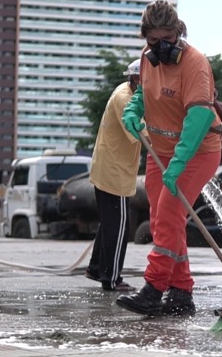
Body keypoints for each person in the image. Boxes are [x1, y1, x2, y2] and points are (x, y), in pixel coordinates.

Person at [116, 0, 222, 316]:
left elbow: (199, 115)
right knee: (166, 218)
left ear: (178, 34)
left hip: (197, 152)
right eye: (153, 42)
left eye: (168, 40)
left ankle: (154, 288)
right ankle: (180, 293)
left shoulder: (195, 64)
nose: (161, 48)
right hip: (159, 151)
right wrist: (134, 111)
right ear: (145, 39)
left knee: (168, 214)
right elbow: (143, 93)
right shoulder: (148, 60)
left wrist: (178, 164)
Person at [84, 59, 143, 292]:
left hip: (115, 168)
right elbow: (138, 129)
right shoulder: (124, 98)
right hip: (114, 171)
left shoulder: (133, 94)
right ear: (136, 78)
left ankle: (97, 267)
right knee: (119, 226)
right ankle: (112, 278)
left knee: (110, 223)